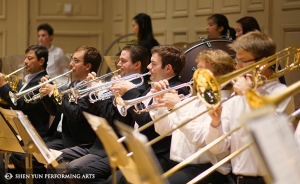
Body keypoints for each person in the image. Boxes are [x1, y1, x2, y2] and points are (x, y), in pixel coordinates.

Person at [48, 44, 150, 184]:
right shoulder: (117, 83)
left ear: (137, 64)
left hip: (115, 147)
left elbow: (115, 120)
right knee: (58, 162)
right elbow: (98, 113)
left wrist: (100, 92)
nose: (118, 64)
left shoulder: (139, 90)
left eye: (123, 61)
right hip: (100, 145)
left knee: (74, 169)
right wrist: (94, 92)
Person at [206, 31, 295, 184]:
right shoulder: (235, 97)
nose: (237, 67)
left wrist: (248, 94)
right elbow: (218, 148)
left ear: (263, 62)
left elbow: (273, 136)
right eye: (237, 61)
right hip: (237, 178)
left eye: (243, 61)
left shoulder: (281, 93)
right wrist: (215, 124)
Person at [11, 46, 101, 184]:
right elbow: (55, 111)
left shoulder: (92, 89)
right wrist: (46, 96)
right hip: (62, 136)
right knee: (21, 154)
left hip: (78, 142)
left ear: (88, 66)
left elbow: (75, 114)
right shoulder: (73, 84)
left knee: (44, 158)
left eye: (76, 61)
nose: (71, 64)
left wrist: (55, 93)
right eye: (72, 60)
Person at [148, 49, 235, 184]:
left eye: (203, 71)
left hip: (209, 171)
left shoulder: (227, 104)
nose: (196, 75)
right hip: (178, 165)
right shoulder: (192, 100)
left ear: (220, 75)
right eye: (197, 70)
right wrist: (158, 102)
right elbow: (164, 130)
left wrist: (177, 107)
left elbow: (200, 139)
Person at [106, 45, 189, 184]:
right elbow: (130, 116)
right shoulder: (152, 87)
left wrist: (130, 92)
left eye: (154, 64)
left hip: (158, 155)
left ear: (168, 68)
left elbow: (147, 124)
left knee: (116, 180)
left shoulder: (178, 91)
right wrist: (118, 98)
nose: (149, 67)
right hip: (138, 149)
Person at [0, 45, 50, 138]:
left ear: (41, 61)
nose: (25, 61)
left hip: (34, 134)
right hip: (20, 130)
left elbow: (20, 104)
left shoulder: (43, 82)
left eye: (29, 58)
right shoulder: (28, 79)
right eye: (25, 58)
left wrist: (3, 86)